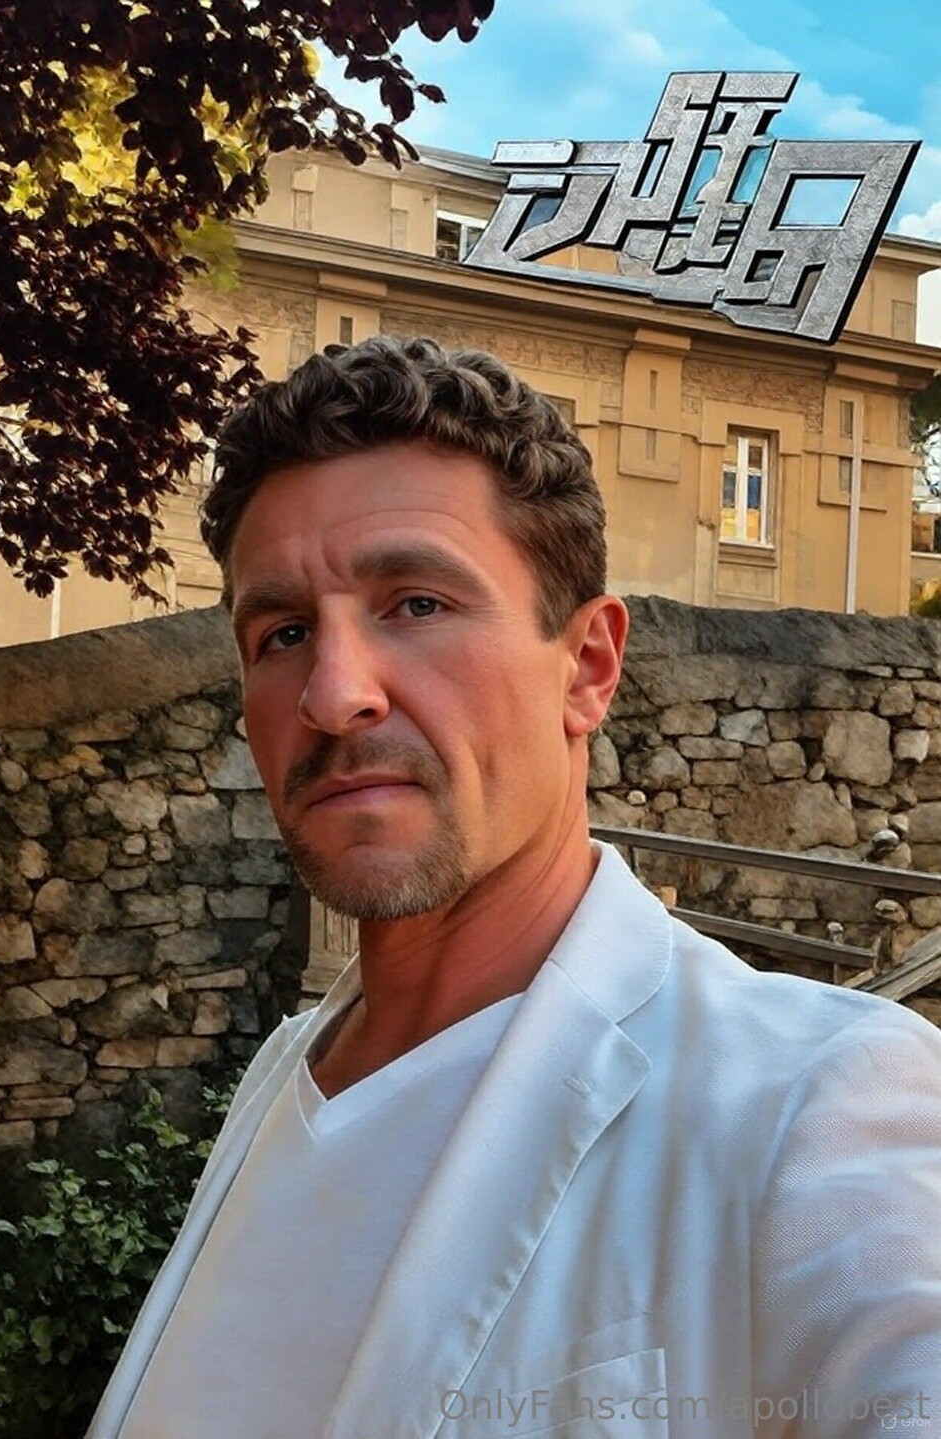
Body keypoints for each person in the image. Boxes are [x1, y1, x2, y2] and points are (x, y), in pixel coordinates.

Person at [88, 336, 941, 1439]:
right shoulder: (288, 1072)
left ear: (587, 667)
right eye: (284, 632)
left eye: (417, 603)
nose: (333, 694)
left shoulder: (811, 1102)